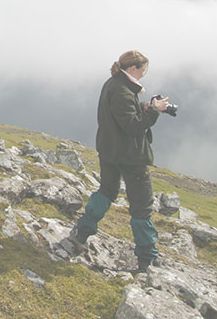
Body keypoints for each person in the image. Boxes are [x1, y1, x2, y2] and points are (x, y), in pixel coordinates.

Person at [70, 50, 170, 273]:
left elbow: (121, 116)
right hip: (131, 157)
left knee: (106, 191)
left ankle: (82, 231)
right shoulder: (123, 91)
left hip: (110, 152)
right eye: (143, 69)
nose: (144, 73)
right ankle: (147, 259)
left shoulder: (113, 84)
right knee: (142, 206)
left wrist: (142, 107)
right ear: (133, 68)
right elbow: (133, 127)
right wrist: (154, 111)